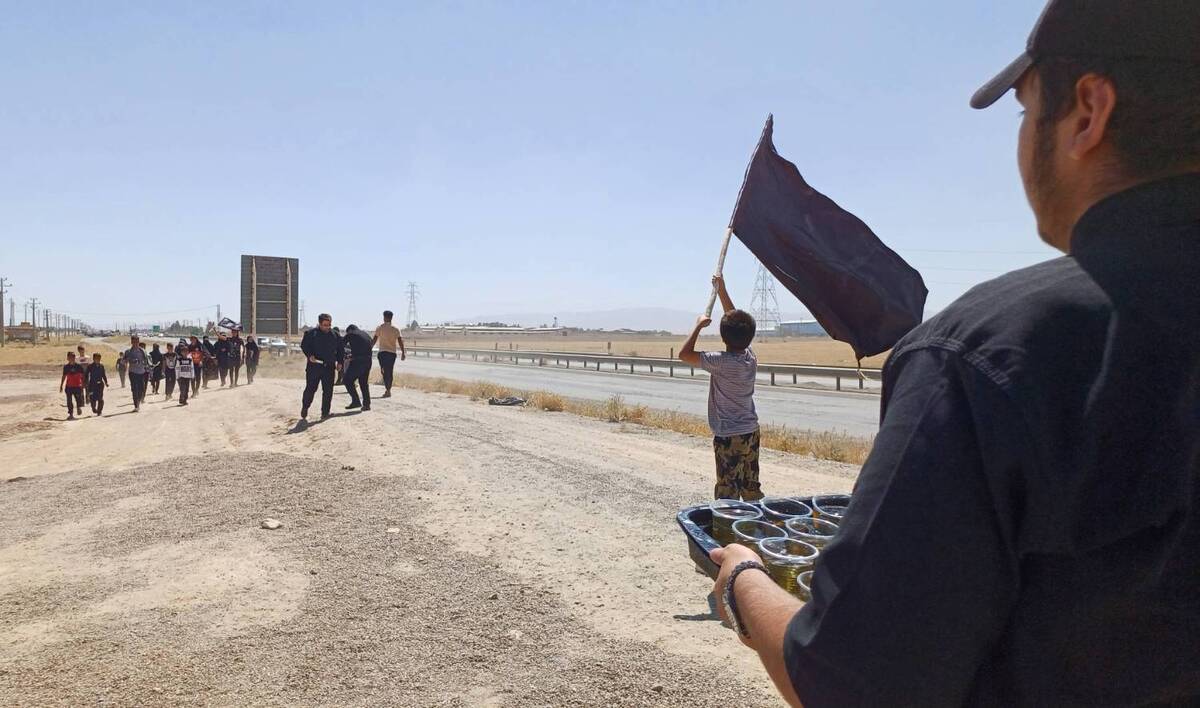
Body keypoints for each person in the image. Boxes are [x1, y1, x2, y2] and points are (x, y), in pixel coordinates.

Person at [711, 2, 1200, 705]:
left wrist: (740, 582)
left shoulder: (988, 354)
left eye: (1026, 111)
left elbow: (850, 682)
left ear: (1088, 111)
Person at [679, 275, 761, 501]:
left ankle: (728, 530)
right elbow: (737, 323)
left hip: (728, 436)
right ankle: (754, 527)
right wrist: (722, 291)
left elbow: (684, 355)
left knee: (727, 492)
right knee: (750, 486)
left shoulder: (721, 362)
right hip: (750, 432)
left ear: (723, 336)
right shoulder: (749, 357)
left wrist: (698, 327)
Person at [299, 314, 343, 421]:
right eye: (325, 325)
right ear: (320, 324)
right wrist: (309, 356)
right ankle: (305, 407)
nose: (327, 327)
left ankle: (325, 412)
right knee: (311, 389)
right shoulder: (311, 333)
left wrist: (340, 362)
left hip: (329, 367)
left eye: (329, 325)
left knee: (328, 391)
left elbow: (340, 350)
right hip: (314, 367)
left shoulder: (335, 335)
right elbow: (304, 346)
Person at [372, 310, 406, 398]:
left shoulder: (380, 327)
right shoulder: (396, 329)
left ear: (385, 317)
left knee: (384, 370)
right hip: (392, 354)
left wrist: (368, 348)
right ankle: (388, 389)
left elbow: (374, 339)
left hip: (382, 353)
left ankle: (387, 389)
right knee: (389, 371)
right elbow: (400, 341)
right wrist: (403, 352)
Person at [341, 324, 373, 411]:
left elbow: (341, 344)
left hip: (358, 362)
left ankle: (356, 401)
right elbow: (367, 346)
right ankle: (367, 404)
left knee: (347, 380)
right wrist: (354, 354)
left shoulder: (351, 334)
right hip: (368, 361)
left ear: (349, 330)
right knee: (363, 383)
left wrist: (342, 356)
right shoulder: (365, 334)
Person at [124, 336, 149, 412]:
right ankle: (136, 405)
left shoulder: (143, 351)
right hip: (132, 372)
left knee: (141, 389)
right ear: (131, 342)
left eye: (137, 342)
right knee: (134, 389)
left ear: (138, 342)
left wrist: (147, 366)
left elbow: (146, 361)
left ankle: (139, 401)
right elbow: (123, 361)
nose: (135, 343)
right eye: (134, 342)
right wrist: (131, 360)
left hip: (141, 372)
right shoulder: (128, 351)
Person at [59, 351, 86, 420]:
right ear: (67, 358)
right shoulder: (66, 367)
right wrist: (61, 385)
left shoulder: (79, 366)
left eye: (73, 357)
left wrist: (83, 384)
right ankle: (71, 414)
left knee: (78, 399)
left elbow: (83, 376)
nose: (72, 358)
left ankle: (78, 407)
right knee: (69, 401)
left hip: (77, 386)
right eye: (70, 357)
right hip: (69, 387)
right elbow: (64, 376)